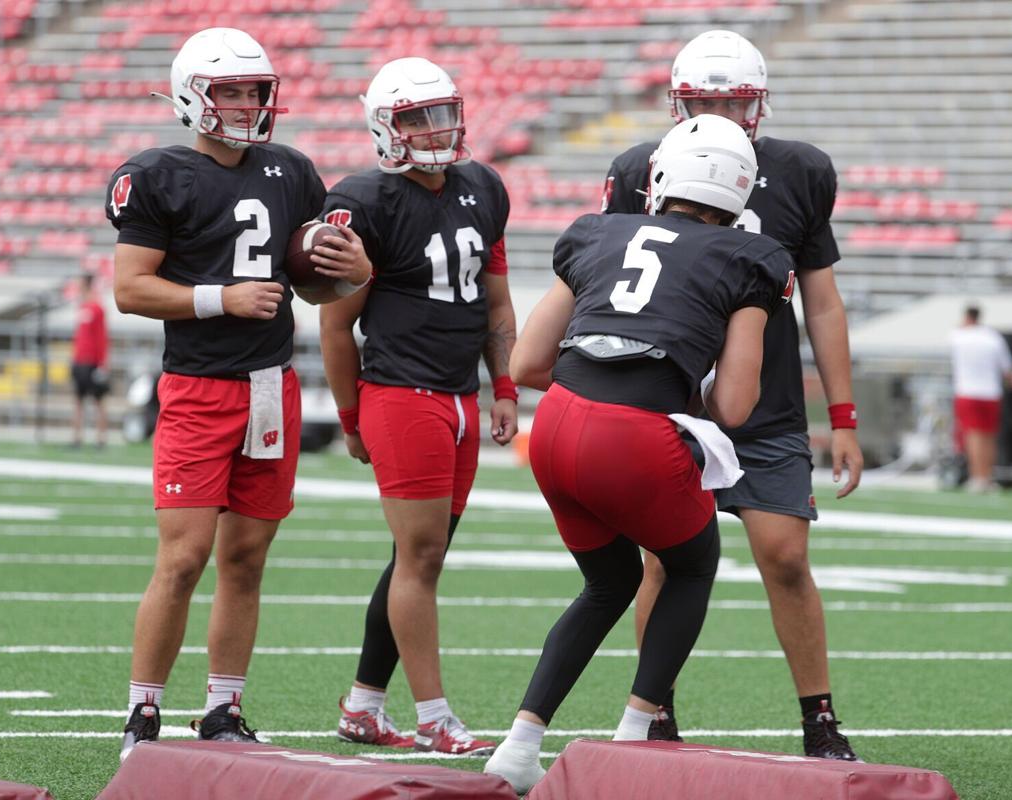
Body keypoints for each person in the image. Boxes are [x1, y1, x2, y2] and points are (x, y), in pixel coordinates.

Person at [484, 115, 794, 794]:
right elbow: (737, 405)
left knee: (608, 582)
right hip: (636, 433)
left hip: (557, 425)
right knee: (691, 567)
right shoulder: (754, 258)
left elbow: (529, 359)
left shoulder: (599, 231)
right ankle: (632, 739)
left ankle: (518, 745)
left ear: (660, 176)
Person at [106, 26, 371, 762]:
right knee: (184, 558)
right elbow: (130, 288)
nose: (248, 103)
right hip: (197, 387)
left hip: (271, 388)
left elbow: (316, 288)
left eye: (257, 90)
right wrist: (222, 300)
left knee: (247, 558)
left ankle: (223, 708)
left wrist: (352, 269)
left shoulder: (290, 169)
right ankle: (143, 713)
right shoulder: (157, 173)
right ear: (194, 95)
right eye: (231, 91)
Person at [602, 30, 863, 759]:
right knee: (662, 560)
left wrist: (841, 415)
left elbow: (823, 301)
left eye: (732, 100)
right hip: (669, 396)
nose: (717, 112)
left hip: (769, 404)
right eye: (704, 99)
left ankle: (819, 717)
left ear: (759, 105)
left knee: (785, 556)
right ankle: (655, 710)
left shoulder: (801, 170)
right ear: (678, 102)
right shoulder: (637, 169)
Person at [319, 57, 517, 756]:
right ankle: (434, 716)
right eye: (416, 118)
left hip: (461, 393)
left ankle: (364, 707)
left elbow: (495, 298)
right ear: (385, 128)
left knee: (418, 556)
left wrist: (504, 385)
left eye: (442, 113)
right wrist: (350, 417)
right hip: (403, 392)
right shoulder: (361, 202)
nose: (435, 129)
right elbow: (337, 325)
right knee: (422, 555)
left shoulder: (484, 186)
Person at [950, 305, 1012, 492]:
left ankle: (976, 477)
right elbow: (1008, 370)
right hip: (991, 392)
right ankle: (987, 476)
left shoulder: (959, 337)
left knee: (973, 436)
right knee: (989, 436)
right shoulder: (993, 337)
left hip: (967, 392)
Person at [69, 272, 110, 449]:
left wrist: (102, 364)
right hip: (79, 361)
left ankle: (100, 439)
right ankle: (77, 439)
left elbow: (102, 338)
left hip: (92, 362)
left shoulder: (97, 308)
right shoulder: (82, 306)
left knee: (98, 401)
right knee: (78, 401)